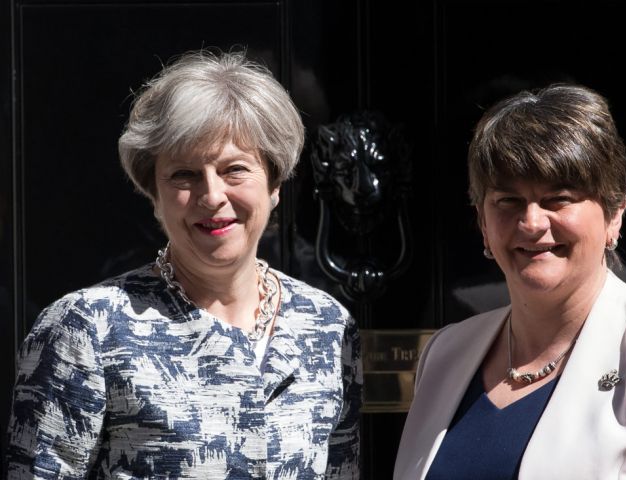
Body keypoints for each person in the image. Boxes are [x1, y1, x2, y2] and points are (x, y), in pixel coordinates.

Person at [6, 49, 361, 479]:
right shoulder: (87, 328)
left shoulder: (327, 325)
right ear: (153, 193)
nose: (212, 196)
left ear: (274, 183)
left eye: (234, 169)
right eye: (184, 175)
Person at [394, 85, 626, 479]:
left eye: (558, 198)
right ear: (482, 222)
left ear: (614, 214)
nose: (531, 223)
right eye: (508, 201)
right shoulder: (444, 354)